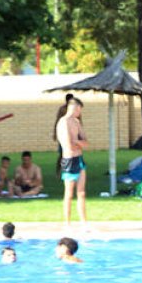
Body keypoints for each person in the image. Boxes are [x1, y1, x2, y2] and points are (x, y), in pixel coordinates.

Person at [56, 96, 88, 226]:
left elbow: (86, 143)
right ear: (75, 108)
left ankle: (83, 222)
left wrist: (78, 143)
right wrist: (78, 143)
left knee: (81, 192)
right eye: (79, 109)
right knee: (69, 194)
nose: (80, 112)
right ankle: (67, 223)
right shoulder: (63, 122)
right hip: (69, 160)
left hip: (79, 159)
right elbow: (68, 145)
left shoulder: (76, 122)